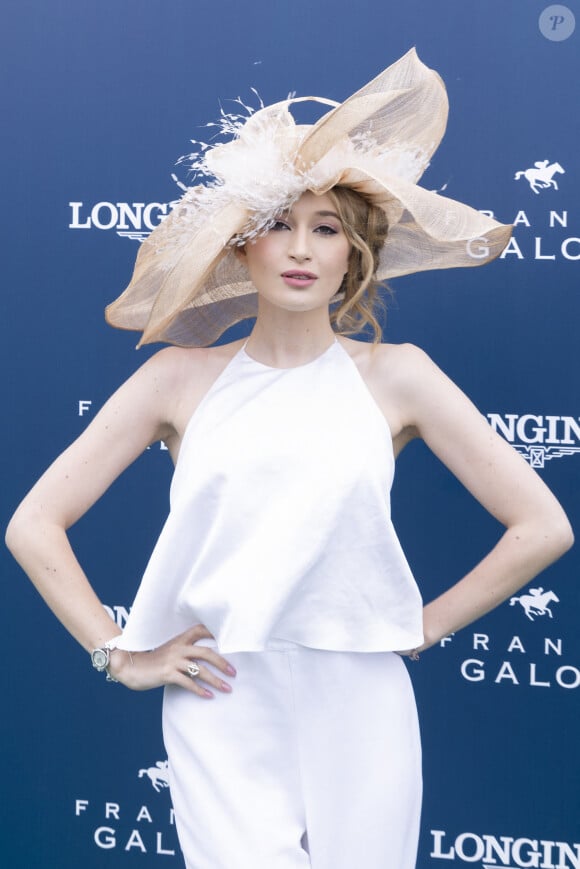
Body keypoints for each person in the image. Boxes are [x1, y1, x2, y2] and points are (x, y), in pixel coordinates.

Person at [5, 49, 573, 869]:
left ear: (354, 254)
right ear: (241, 250)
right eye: (277, 224)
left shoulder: (398, 375)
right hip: (218, 693)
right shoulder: (175, 377)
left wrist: (420, 625)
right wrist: (119, 653)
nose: (300, 248)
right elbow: (34, 524)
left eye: (326, 227)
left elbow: (542, 523)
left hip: (360, 696)